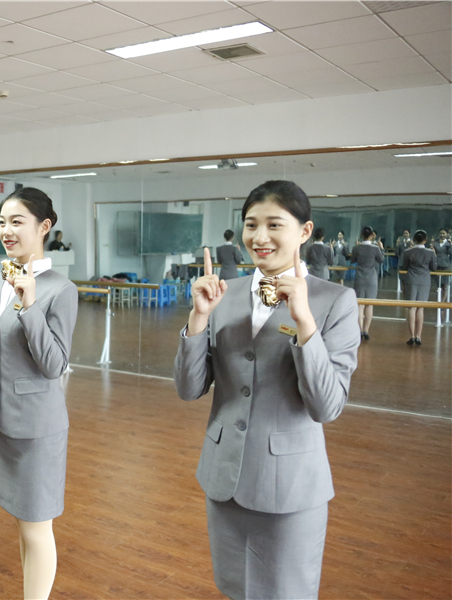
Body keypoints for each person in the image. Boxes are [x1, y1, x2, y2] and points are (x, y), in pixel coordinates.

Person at [174, 180, 360, 600]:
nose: (260, 237)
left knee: (286, 591)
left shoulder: (335, 301)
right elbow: (189, 388)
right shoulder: (225, 294)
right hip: (224, 477)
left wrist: (305, 323)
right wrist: (198, 319)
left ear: (305, 231)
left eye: (274, 224)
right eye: (251, 224)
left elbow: (327, 406)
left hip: (290, 485)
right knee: (233, 587)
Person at [0, 187, 78, 600]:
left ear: (44, 227)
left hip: (38, 426)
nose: (6, 230)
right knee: (23, 525)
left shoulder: (60, 289)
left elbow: (54, 365)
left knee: (38, 527)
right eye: (2, 222)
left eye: (17, 222)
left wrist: (29, 306)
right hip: (1, 420)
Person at [401, 230, 437, 346]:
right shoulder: (430, 252)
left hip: (411, 280)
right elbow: (434, 267)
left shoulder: (408, 252)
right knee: (421, 308)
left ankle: (411, 336)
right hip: (424, 281)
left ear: (414, 239)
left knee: (412, 308)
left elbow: (404, 266)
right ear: (425, 240)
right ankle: (418, 336)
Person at [351, 226, 384, 340]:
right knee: (370, 304)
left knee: (360, 305)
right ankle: (366, 331)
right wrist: (382, 248)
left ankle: (359, 330)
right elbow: (381, 260)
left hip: (359, 278)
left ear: (362, 235)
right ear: (371, 235)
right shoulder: (375, 248)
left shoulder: (356, 248)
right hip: (371, 278)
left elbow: (353, 260)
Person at [431, 229, 451, 300]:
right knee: (438, 285)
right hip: (437, 265)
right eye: (441, 233)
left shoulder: (449, 243)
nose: (442, 235)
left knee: (445, 285)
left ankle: (442, 301)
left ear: (447, 234)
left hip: (446, 265)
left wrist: (451, 245)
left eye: (443, 233)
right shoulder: (435, 242)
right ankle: (437, 300)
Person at [396, 229, 413, 298]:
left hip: (409, 264)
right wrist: (397, 245)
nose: (405, 235)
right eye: (404, 233)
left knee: (409, 281)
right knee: (402, 281)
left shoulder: (412, 242)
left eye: (406, 233)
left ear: (409, 234)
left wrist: (413, 245)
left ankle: (409, 296)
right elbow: (396, 253)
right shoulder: (400, 243)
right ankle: (404, 296)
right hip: (401, 263)